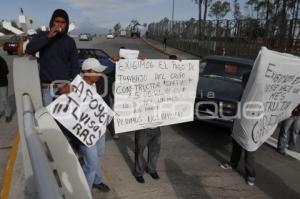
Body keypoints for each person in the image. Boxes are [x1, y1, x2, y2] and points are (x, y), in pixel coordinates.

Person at [26, 9, 80, 106]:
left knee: (64, 120)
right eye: (57, 21)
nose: (59, 24)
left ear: (66, 24)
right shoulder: (43, 35)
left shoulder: (70, 41)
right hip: (47, 89)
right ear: (52, 22)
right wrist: (48, 37)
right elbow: (29, 49)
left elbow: (75, 65)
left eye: (63, 22)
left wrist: (72, 84)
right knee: (48, 120)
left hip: (64, 87)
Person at [219, 71, 256, 186]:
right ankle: (232, 164)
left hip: (251, 129)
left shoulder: (255, 95)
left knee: (249, 152)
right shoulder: (243, 93)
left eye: (242, 81)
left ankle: (250, 175)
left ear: (247, 82)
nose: (241, 83)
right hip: (239, 125)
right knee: (236, 146)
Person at [79, 58, 111, 192]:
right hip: (86, 131)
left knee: (99, 155)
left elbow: (115, 75)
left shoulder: (99, 83)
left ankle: (96, 181)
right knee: (91, 162)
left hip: (100, 128)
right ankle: (84, 191)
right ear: (87, 72)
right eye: (96, 71)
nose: (99, 74)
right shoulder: (76, 86)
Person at [0, 55, 12, 122]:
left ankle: (8, 115)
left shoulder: (1, 60)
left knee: (4, 99)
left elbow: (6, 71)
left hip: (2, 83)